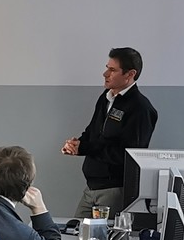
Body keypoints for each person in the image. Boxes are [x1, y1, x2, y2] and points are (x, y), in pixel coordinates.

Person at [62, 46, 158, 218]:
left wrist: (86, 148)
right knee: (75, 231)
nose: (105, 74)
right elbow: (92, 131)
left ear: (130, 74)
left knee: (103, 235)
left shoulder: (141, 108)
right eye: (107, 68)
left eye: (112, 70)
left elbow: (128, 155)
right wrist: (77, 145)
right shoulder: (105, 97)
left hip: (114, 191)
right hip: (91, 188)